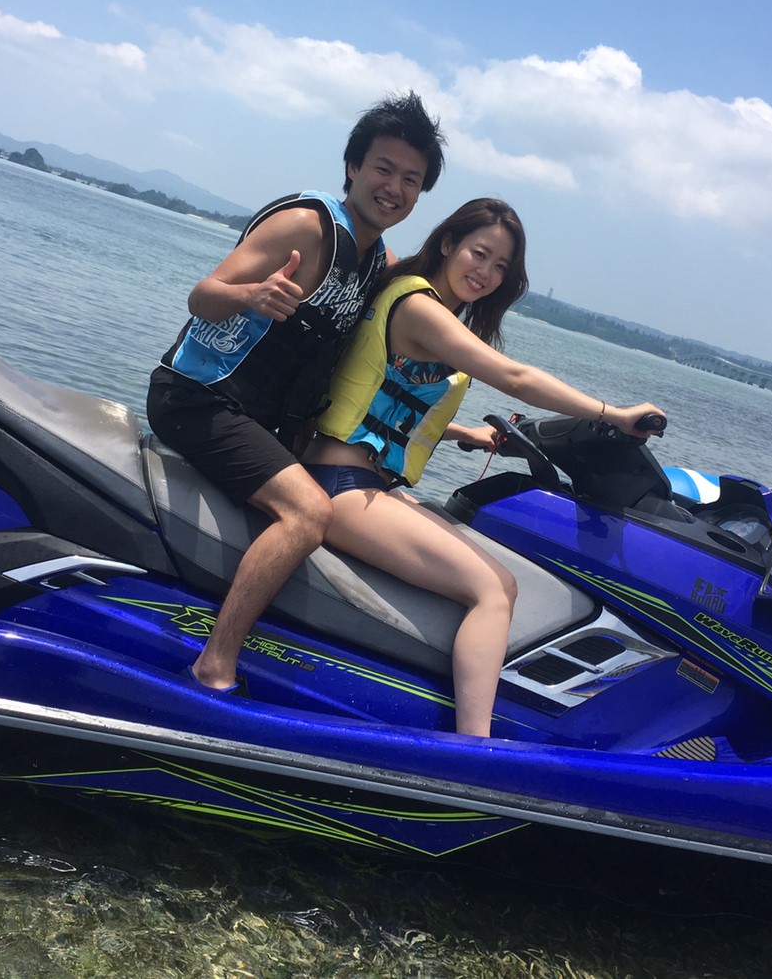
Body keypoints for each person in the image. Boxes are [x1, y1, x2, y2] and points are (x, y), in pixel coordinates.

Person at [303, 198, 666, 737]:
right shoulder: (421, 308)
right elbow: (515, 378)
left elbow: (380, 396)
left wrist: (464, 433)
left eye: (500, 267)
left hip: (363, 479)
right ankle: (473, 747)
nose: (487, 273)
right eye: (480, 254)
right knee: (494, 590)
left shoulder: (425, 304)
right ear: (449, 243)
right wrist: (613, 414)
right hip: (341, 484)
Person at [147, 92, 447, 693]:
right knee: (309, 512)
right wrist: (252, 296)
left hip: (262, 422)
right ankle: (214, 664)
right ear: (353, 167)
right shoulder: (307, 226)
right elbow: (203, 296)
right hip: (200, 397)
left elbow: (353, 372)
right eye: (384, 168)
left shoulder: (377, 262)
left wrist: (456, 430)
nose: (394, 187)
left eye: (411, 180)